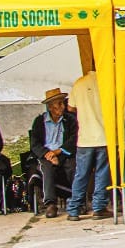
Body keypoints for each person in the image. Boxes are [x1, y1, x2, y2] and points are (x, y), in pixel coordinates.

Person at [66, 70, 113, 221]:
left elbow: (70, 108)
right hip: (103, 136)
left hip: (85, 138)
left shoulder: (79, 83)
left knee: (81, 174)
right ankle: (99, 207)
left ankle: (74, 208)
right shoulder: (107, 83)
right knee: (102, 173)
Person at [29, 88, 78, 219]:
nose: (63, 106)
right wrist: (49, 154)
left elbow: (74, 139)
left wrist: (59, 152)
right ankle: (50, 203)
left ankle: (77, 200)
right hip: (47, 155)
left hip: (63, 153)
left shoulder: (70, 120)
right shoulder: (39, 122)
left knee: (73, 166)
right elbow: (34, 143)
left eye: (63, 103)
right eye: (59, 104)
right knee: (47, 168)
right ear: (50, 107)